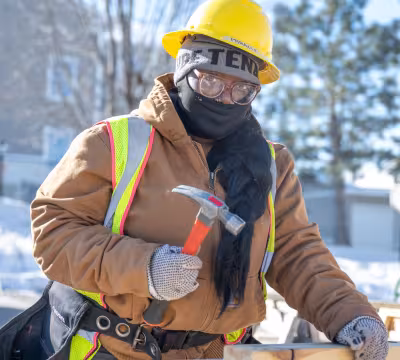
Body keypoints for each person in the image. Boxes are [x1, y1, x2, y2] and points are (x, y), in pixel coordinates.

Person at [9, 0, 388, 359]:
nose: (225, 98)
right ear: (184, 70)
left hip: (219, 351)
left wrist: (349, 313)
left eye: (242, 89)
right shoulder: (114, 143)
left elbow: (297, 254)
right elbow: (54, 234)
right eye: (210, 82)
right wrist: (145, 268)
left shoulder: (271, 165)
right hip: (116, 348)